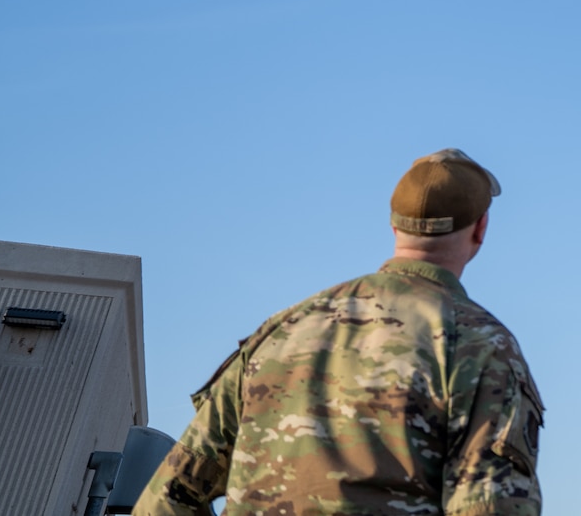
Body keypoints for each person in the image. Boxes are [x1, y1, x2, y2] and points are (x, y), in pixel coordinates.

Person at [133, 149, 544, 516]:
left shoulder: (282, 330)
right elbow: (490, 505)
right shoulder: (479, 345)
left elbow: (172, 492)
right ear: (480, 229)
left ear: (394, 226)